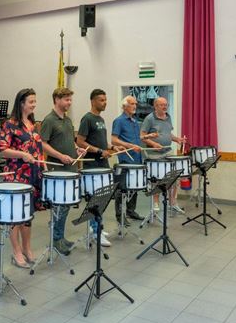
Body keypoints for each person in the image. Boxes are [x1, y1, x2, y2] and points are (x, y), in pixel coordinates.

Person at [0, 88, 45, 268]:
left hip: (33, 175)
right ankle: (16, 251)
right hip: (16, 175)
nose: (34, 104)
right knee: (15, 215)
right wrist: (21, 155)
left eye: (35, 101)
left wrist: (42, 163)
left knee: (27, 215)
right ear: (21, 103)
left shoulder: (33, 124)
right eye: (31, 101)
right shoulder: (9, 124)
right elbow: (3, 150)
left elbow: (38, 148)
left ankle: (27, 248)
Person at [40, 87, 86, 255]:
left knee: (66, 205)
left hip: (70, 168)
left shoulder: (67, 120)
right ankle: (56, 239)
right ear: (57, 100)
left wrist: (76, 149)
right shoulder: (49, 120)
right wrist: (60, 156)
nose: (69, 103)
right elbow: (43, 144)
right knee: (58, 205)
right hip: (57, 169)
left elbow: (67, 140)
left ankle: (60, 236)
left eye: (70, 99)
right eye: (66, 99)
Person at [76, 89, 125, 247]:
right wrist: (99, 151)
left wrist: (111, 147)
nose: (105, 102)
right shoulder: (87, 118)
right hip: (92, 166)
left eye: (105, 99)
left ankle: (96, 226)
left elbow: (100, 141)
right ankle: (95, 231)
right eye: (101, 100)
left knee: (102, 198)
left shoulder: (101, 119)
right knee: (95, 199)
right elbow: (80, 142)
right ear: (93, 101)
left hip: (102, 165)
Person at [141, 97, 186, 212]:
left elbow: (168, 134)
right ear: (155, 106)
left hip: (167, 152)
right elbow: (142, 136)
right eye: (162, 105)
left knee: (174, 177)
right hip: (154, 154)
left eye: (166, 104)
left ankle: (173, 202)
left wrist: (178, 140)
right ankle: (156, 204)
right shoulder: (149, 119)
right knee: (157, 179)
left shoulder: (168, 117)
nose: (165, 107)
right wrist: (153, 144)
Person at [111, 96, 146, 224]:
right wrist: (130, 146)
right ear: (124, 106)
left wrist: (148, 137)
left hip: (137, 159)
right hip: (126, 160)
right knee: (122, 189)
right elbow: (114, 140)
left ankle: (131, 211)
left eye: (135, 103)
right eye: (132, 104)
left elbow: (136, 138)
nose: (135, 106)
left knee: (134, 186)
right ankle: (120, 215)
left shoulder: (135, 121)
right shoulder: (119, 121)